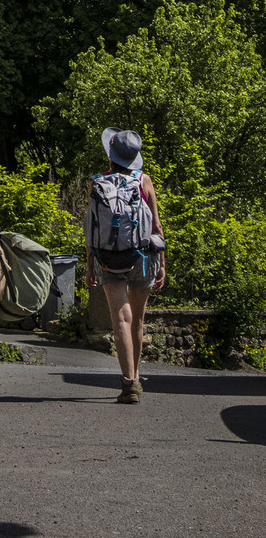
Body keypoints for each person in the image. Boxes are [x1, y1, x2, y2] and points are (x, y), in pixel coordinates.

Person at [86, 126, 165, 404]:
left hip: (108, 259)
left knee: (120, 318)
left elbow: (91, 228)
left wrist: (90, 264)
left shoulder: (97, 183)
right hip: (142, 258)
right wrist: (162, 263)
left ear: (110, 155)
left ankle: (129, 383)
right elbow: (156, 227)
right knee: (137, 320)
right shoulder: (144, 180)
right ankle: (136, 373)